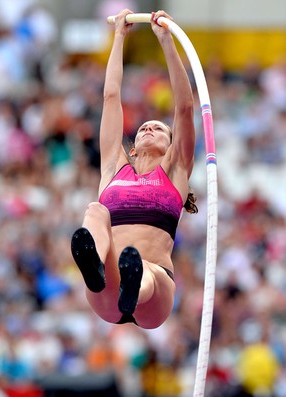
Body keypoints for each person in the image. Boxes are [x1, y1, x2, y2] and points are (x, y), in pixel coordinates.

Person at [71, 9, 197, 329]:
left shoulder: (176, 170)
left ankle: (134, 285)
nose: (148, 129)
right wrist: (119, 37)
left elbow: (183, 108)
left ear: (171, 145)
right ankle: (95, 267)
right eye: (143, 128)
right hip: (106, 289)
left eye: (158, 128)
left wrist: (166, 40)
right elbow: (111, 96)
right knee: (95, 211)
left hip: (154, 294)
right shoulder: (115, 167)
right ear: (134, 143)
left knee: (146, 272)